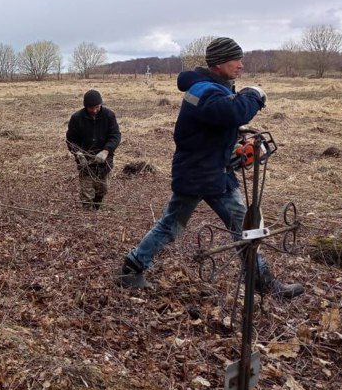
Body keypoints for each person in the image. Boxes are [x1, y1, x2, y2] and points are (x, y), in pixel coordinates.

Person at [117, 37, 304, 299]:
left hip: (214, 171)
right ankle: (131, 269)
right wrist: (254, 94)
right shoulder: (204, 91)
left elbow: (217, 123)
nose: (241, 64)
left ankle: (261, 281)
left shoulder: (213, 88)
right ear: (218, 63)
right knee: (177, 226)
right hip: (199, 173)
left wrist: (235, 144)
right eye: (235, 59)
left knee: (243, 224)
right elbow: (231, 113)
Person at [66, 89, 121, 211]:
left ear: (101, 104)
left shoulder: (109, 116)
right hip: (85, 161)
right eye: (91, 108)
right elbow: (71, 140)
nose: (94, 110)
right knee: (87, 191)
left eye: (97, 107)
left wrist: (106, 151)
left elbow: (115, 136)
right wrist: (78, 153)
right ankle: (87, 214)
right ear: (85, 106)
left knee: (103, 188)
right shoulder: (76, 118)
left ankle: (97, 206)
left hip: (104, 161)